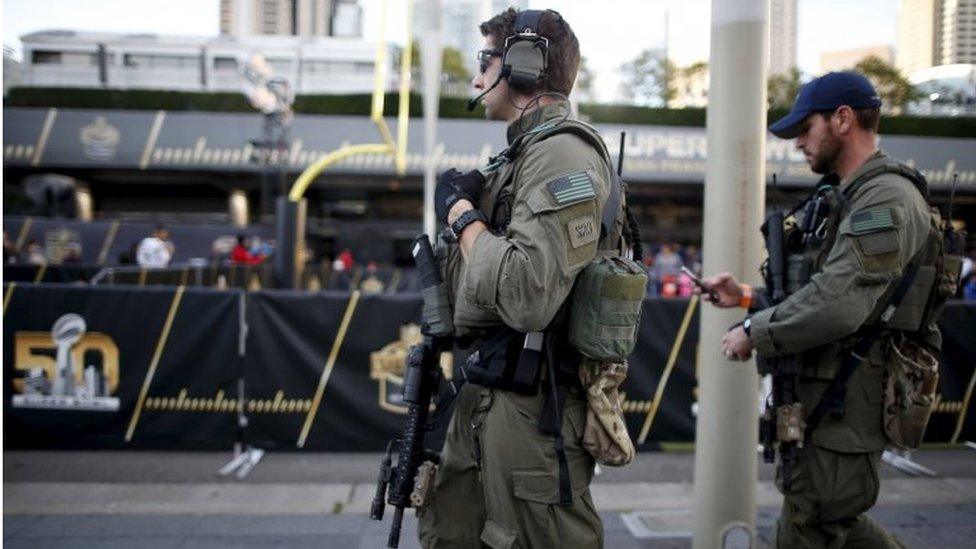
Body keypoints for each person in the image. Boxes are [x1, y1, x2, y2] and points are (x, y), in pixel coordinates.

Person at [700, 71, 947, 548]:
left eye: (804, 130)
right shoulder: (851, 195)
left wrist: (754, 328)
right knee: (827, 524)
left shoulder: (886, 200)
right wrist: (748, 297)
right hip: (831, 395)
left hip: (848, 400)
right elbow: (830, 289)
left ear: (843, 119)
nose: (797, 145)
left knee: (813, 524)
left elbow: (840, 304)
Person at [418, 8, 636, 548]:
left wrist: (462, 217)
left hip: (534, 412)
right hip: (493, 394)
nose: (475, 78)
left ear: (522, 64)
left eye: (483, 60)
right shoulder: (523, 155)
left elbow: (526, 295)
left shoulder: (562, 154)